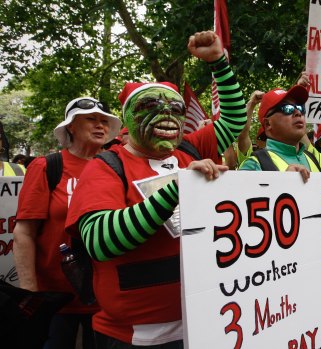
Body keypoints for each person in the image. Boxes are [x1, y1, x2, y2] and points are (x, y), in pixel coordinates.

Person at [64, 30, 245, 348]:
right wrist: (177, 188)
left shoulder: (189, 149)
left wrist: (218, 61)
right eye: (150, 106)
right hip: (135, 337)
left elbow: (233, 118)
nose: (168, 115)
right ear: (128, 118)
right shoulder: (106, 166)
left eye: (176, 109)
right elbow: (99, 241)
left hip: (203, 322)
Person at [13, 96, 122, 349]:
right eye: (91, 119)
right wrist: (30, 292)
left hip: (106, 296)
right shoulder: (47, 166)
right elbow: (24, 233)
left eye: (104, 121)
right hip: (55, 297)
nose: (100, 126)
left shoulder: (116, 166)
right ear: (71, 126)